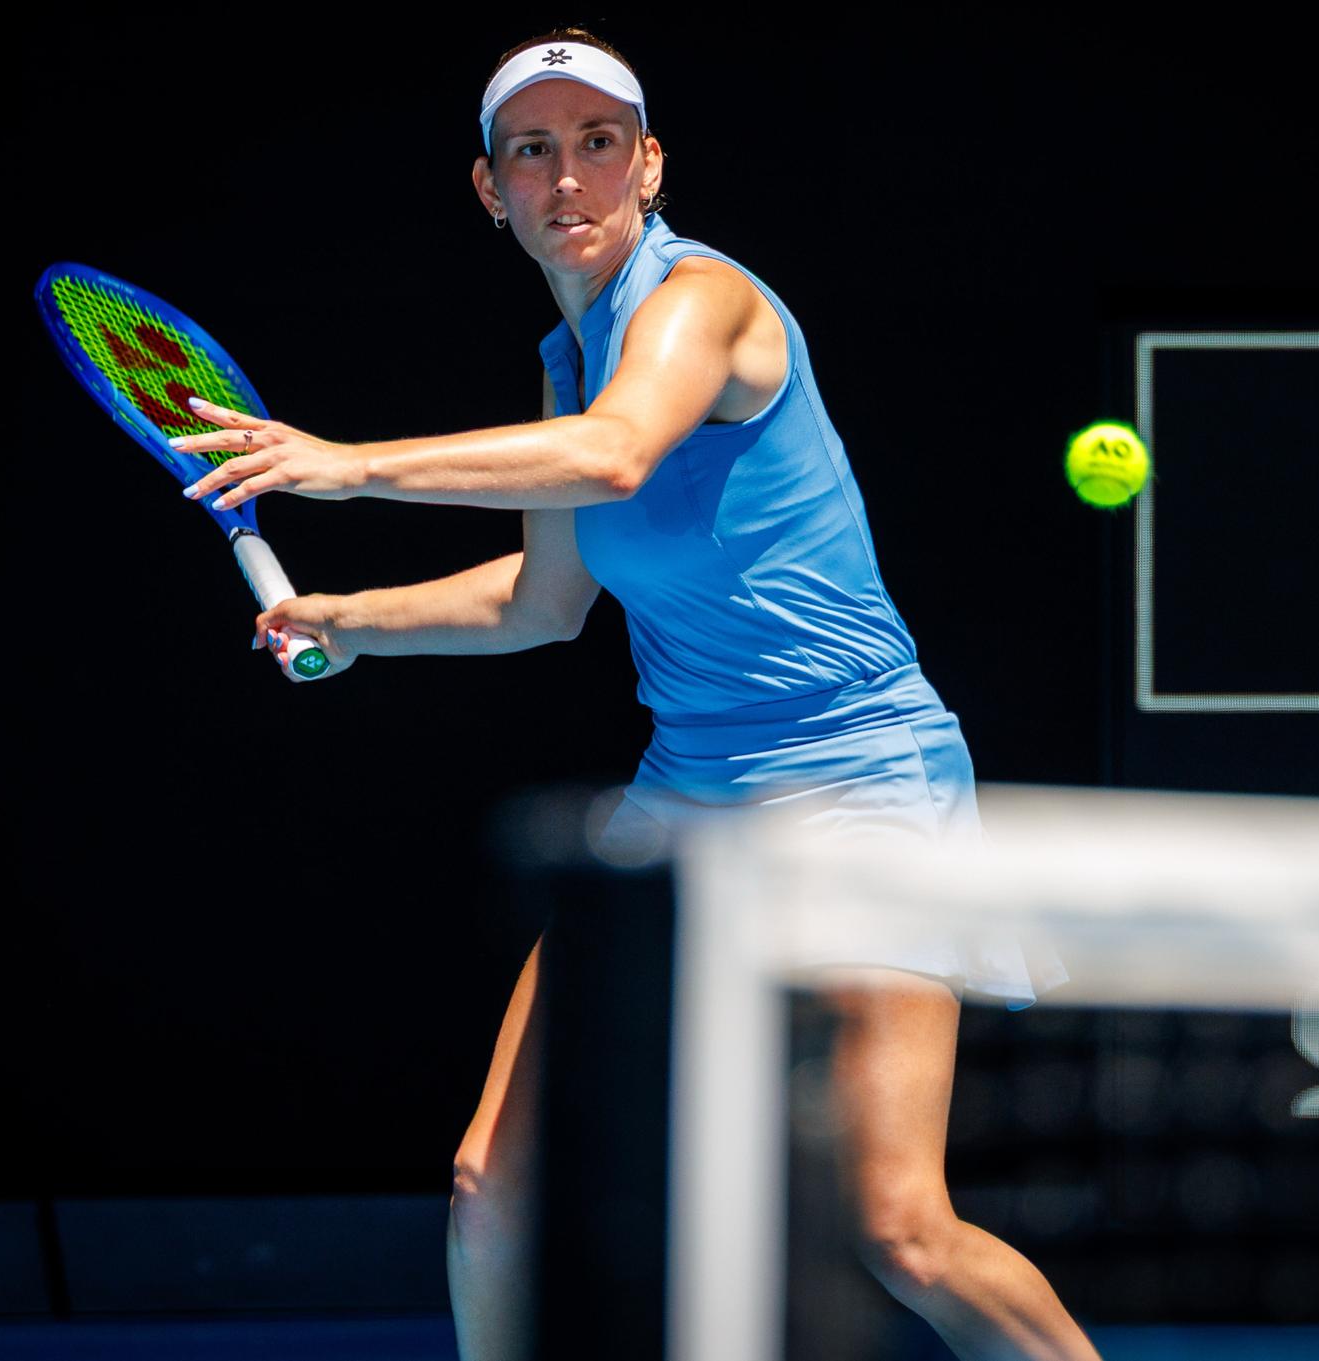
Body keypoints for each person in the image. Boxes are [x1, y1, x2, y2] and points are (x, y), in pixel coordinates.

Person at [174, 27, 1090, 1361]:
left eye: (599, 143)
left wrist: (349, 467)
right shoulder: (568, 360)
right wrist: (353, 622)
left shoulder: (704, 303)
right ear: (491, 190)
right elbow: (543, 605)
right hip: (690, 793)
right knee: (497, 1186)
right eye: (532, 152)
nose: (569, 180)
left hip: (858, 774)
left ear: (649, 165)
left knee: (895, 1222)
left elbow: (611, 463)